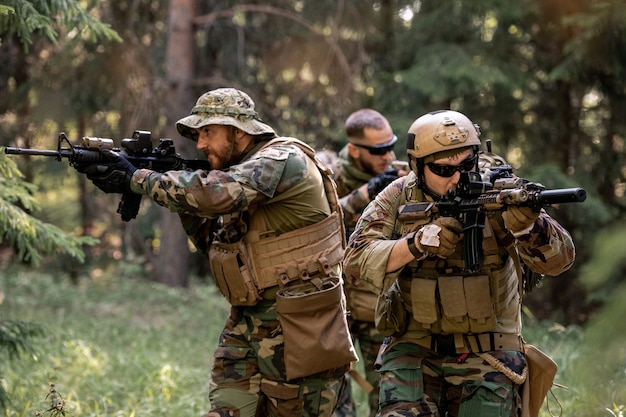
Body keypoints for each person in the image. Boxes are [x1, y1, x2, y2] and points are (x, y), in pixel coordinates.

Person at [76, 87, 358, 417]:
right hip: (249, 319)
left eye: (208, 132)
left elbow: (216, 193)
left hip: (302, 324)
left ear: (238, 131)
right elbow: (215, 244)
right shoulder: (241, 173)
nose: (201, 144)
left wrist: (138, 178)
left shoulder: (282, 160)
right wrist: (173, 192)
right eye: (198, 135)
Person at [342, 109, 576, 417]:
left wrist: (529, 229)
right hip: (414, 347)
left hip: (489, 351)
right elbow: (354, 263)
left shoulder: (501, 190)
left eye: (467, 164)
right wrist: (415, 244)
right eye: (442, 169)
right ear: (417, 166)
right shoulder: (398, 196)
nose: (458, 176)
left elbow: (561, 260)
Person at [317, 109, 405, 417]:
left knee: (388, 397)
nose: (388, 155)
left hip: (375, 306)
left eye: (390, 146)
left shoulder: (399, 176)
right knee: (327, 401)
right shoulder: (326, 173)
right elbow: (320, 221)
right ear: (354, 149)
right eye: (378, 150)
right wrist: (367, 192)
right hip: (331, 307)